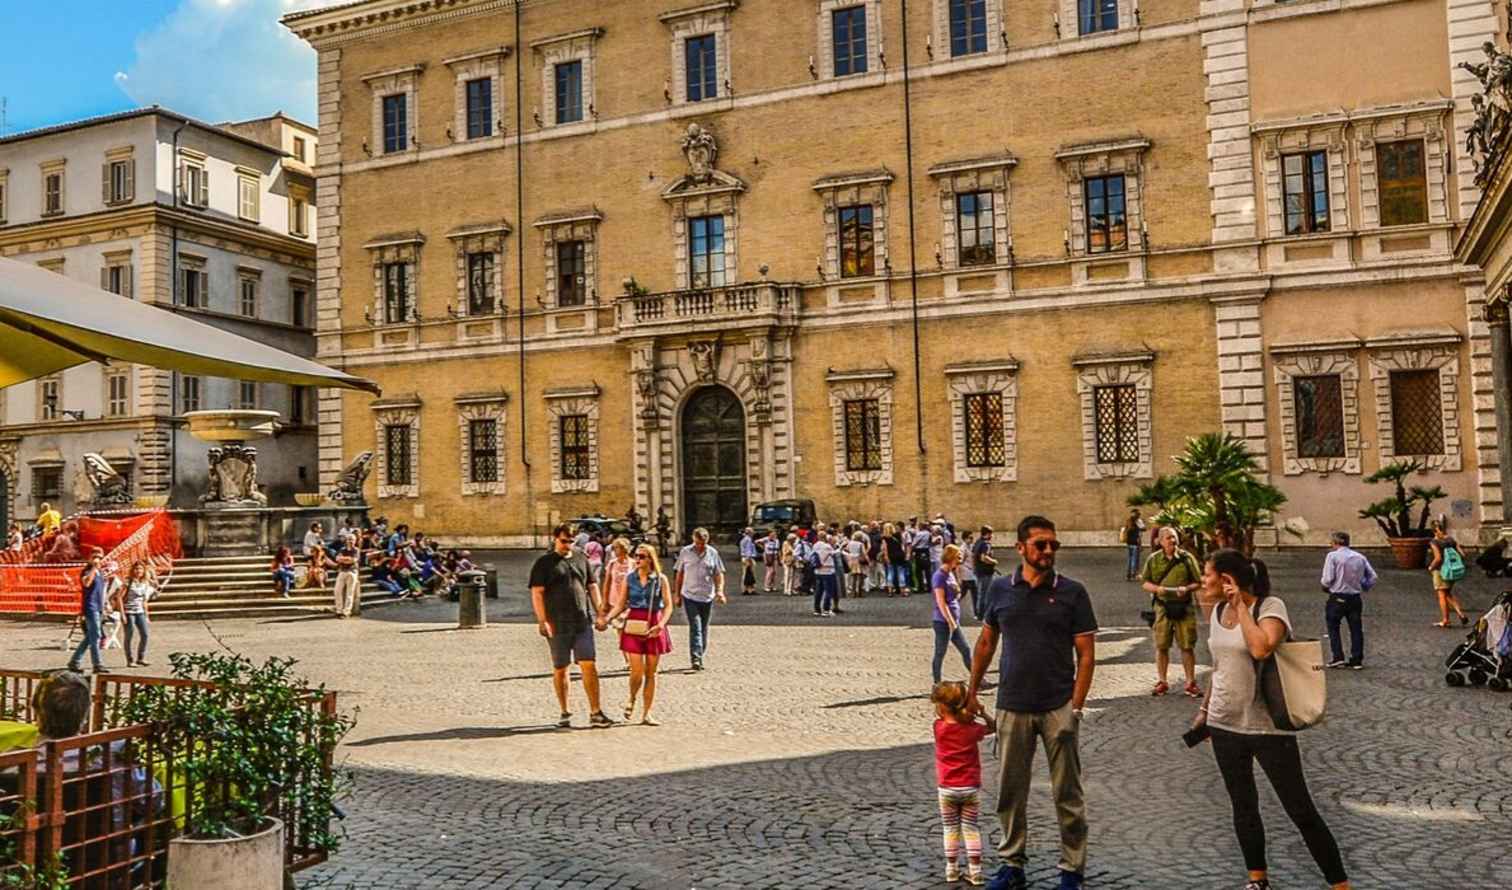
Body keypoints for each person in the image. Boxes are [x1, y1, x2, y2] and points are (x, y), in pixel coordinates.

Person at [1191, 549, 1351, 890]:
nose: (1202, 581)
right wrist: (1205, 712)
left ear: (1227, 580)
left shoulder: (1270, 607)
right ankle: (1257, 879)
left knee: (1300, 810)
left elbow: (1261, 648)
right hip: (1224, 724)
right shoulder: (1216, 611)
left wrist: (1241, 608)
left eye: (1207, 574)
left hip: (1267, 727)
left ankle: (1340, 884)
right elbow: (1219, 666)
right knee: (1243, 805)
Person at [968, 516, 1095, 890]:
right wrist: (973, 691)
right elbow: (987, 643)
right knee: (1010, 791)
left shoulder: (1073, 592)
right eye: (1041, 544)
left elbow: (1086, 655)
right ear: (1021, 548)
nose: (1049, 551)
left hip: (1058, 704)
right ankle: (1012, 864)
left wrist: (1075, 707)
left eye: (1053, 545)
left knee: (1068, 793)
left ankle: (1072, 868)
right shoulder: (1000, 591)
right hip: (1012, 703)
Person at [529, 523, 612, 729]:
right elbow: (537, 593)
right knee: (561, 668)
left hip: (582, 621)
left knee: (589, 664)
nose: (567, 545)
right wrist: (542, 621)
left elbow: (592, 586)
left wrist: (600, 612)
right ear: (555, 539)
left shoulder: (581, 558)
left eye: (571, 541)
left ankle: (596, 712)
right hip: (557, 624)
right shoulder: (544, 563)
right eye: (563, 541)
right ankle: (565, 711)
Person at [606, 544, 675, 725]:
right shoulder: (630, 578)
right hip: (634, 623)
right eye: (636, 556)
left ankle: (647, 713)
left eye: (642, 556)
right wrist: (606, 618)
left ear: (650, 559)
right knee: (636, 671)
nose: (637, 560)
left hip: (654, 623)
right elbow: (621, 604)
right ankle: (632, 698)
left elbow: (668, 605)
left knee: (651, 673)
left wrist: (661, 624)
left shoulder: (661, 579)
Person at [933, 681, 991, 886]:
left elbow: (943, 717)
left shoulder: (938, 728)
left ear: (941, 707)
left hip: (947, 789)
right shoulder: (972, 729)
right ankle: (975, 871)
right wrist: (981, 712)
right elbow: (992, 728)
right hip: (970, 788)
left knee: (950, 828)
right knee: (971, 828)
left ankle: (951, 868)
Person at [1140, 527, 1203, 697]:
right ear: (1160, 541)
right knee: (1162, 645)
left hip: (1184, 607)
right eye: (1168, 538)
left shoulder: (1187, 558)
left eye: (1174, 538)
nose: (1172, 541)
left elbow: (1198, 582)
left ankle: (1190, 682)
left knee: (1187, 645)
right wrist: (1157, 589)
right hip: (1162, 607)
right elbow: (1144, 582)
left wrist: (1187, 588)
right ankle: (1162, 681)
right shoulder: (1153, 560)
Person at [1320, 531, 1376, 669]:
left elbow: (1327, 579)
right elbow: (1373, 576)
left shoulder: (1332, 556)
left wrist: (1325, 586)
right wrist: (1364, 586)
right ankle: (1357, 659)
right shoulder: (1360, 557)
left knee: (1333, 626)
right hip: (1355, 597)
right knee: (1356, 628)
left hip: (1337, 596)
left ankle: (1338, 656)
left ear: (1335, 543)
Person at [672, 527, 726, 671]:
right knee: (695, 627)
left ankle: (700, 653)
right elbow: (679, 574)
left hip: (707, 596)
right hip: (689, 595)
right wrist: (676, 594)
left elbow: (718, 573)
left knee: (703, 627)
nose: (700, 546)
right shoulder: (685, 552)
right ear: (693, 539)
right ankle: (696, 658)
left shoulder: (713, 553)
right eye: (698, 543)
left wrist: (720, 591)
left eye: (702, 543)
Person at [932, 544, 974, 684]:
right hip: (943, 622)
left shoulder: (950, 572)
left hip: (953, 621)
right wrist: (950, 621)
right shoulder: (939, 576)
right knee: (940, 653)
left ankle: (977, 680)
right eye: (958, 557)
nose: (960, 560)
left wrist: (957, 590)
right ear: (951, 558)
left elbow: (954, 595)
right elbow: (940, 601)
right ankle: (937, 683)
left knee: (966, 649)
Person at [68, 547, 109, 674]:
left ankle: (74, 661)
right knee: (95, 635)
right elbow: (86, 583)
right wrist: (93, 568)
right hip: (91, 607)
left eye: (100, 557)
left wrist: (105, 605)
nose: (97, 559)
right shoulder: (87, 571)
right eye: (94, 557)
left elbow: (101, 591)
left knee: (91, 636)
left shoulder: (101, 573)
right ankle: (97, 664)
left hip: (98, 606)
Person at [112, 561, 156, 667]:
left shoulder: (145, 583)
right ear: (133, 570)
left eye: (140, 569)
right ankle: (130, 659)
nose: (138, 571)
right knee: (129, 636)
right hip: (129, 612)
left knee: (145, 635)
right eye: (136, 569)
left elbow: (144, 600)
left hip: (140, 611)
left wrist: (147, 615)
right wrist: (122, 614)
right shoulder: (128, 582)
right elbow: (119, 598)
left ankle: (141, 658)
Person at [1427, 520, 1470, 627]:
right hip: (1452, 570)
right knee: (1448, 594)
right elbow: (1463, 554)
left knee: (1441, 595)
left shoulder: (1434, 542)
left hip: (1441, 571)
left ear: (1433, 531)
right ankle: (1461, 614)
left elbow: (1438, 558)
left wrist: (1430, 567)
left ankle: (1445, 620)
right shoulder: (1451, 539)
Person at [972, 526, 997, 619]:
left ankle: (979, 613)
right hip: (986, 572)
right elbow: (984, 558)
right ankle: (983, 614)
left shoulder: (978, 542)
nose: (992, 536)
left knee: (981, 592)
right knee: (985, 593)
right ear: (988, 534)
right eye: (991, 534)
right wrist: (993, 561)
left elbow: (973, 555)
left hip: (979, 571)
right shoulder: (986, 544)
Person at [332, 538, 362, 618]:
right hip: (342, 571)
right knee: (337, 590)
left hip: (352, 571)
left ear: (355, 541)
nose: (350, 541)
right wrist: (347, 559)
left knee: (350, 593)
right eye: (349, 540)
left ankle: (346, 612)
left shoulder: (356, 550)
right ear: (346, 541)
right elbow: (337, 559)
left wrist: (344, 559)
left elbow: (353, 560)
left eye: (352, 540)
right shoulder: (342, 549)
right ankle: (339, 610)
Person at [811, 532, 838, 617]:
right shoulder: (827, 546)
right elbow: (834, 554)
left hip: (818, 570)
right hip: (828, 570)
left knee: (818, 591)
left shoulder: (815, 545)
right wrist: (840, 548)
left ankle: (817, 609)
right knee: (828, 591)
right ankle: (826, 609)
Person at [884, 522, 909, 597]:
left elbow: (885, 549)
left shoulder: (885, 538)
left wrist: (886, 557)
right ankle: (903, 591)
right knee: (901, 572)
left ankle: (890, 591)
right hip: (899, 555)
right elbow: (902, 545)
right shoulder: (898, 535)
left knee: (890, 572)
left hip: (891, 555)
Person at [1121, 509, 1146, 581]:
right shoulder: (1138, 522)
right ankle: (1134, 575)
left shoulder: (1128, 521)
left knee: (1130, 559)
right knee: (1134, 560)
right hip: (1135, 543)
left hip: (1129, 543)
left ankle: (1128, 575)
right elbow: (1144, 529)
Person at [845, 531, 868, 599]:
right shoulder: (860, 544)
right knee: (860, 576)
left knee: (853, 577)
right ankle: (859, 592)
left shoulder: (850, 543)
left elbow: (847, 549)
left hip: (851, 559)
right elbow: (863, 553)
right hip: (858, 559)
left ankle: (853, 592)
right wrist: (866, 560)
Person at [739, 527, 758, 595]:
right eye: (752, 532)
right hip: (748, 558)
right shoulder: (748, 540)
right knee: (750, 574)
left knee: (746, 573)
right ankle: (749, 589)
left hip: (744, 557)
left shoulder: (743, 539)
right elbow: (748, 550)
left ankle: (746, 589)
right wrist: (749, 559)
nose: (753, 533)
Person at [761, 529, 780, 593]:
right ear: (769, 534)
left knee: (775, 572)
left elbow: (778, 549)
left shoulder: (777, 540)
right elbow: (756, 541)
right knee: (770, 571)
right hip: (768, 556)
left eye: (774, 534)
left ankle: (773, 585)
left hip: (775, 556)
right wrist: (763, 548)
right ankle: (766, 586)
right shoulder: (766, 539)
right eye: (772, 534)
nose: (774, 535)